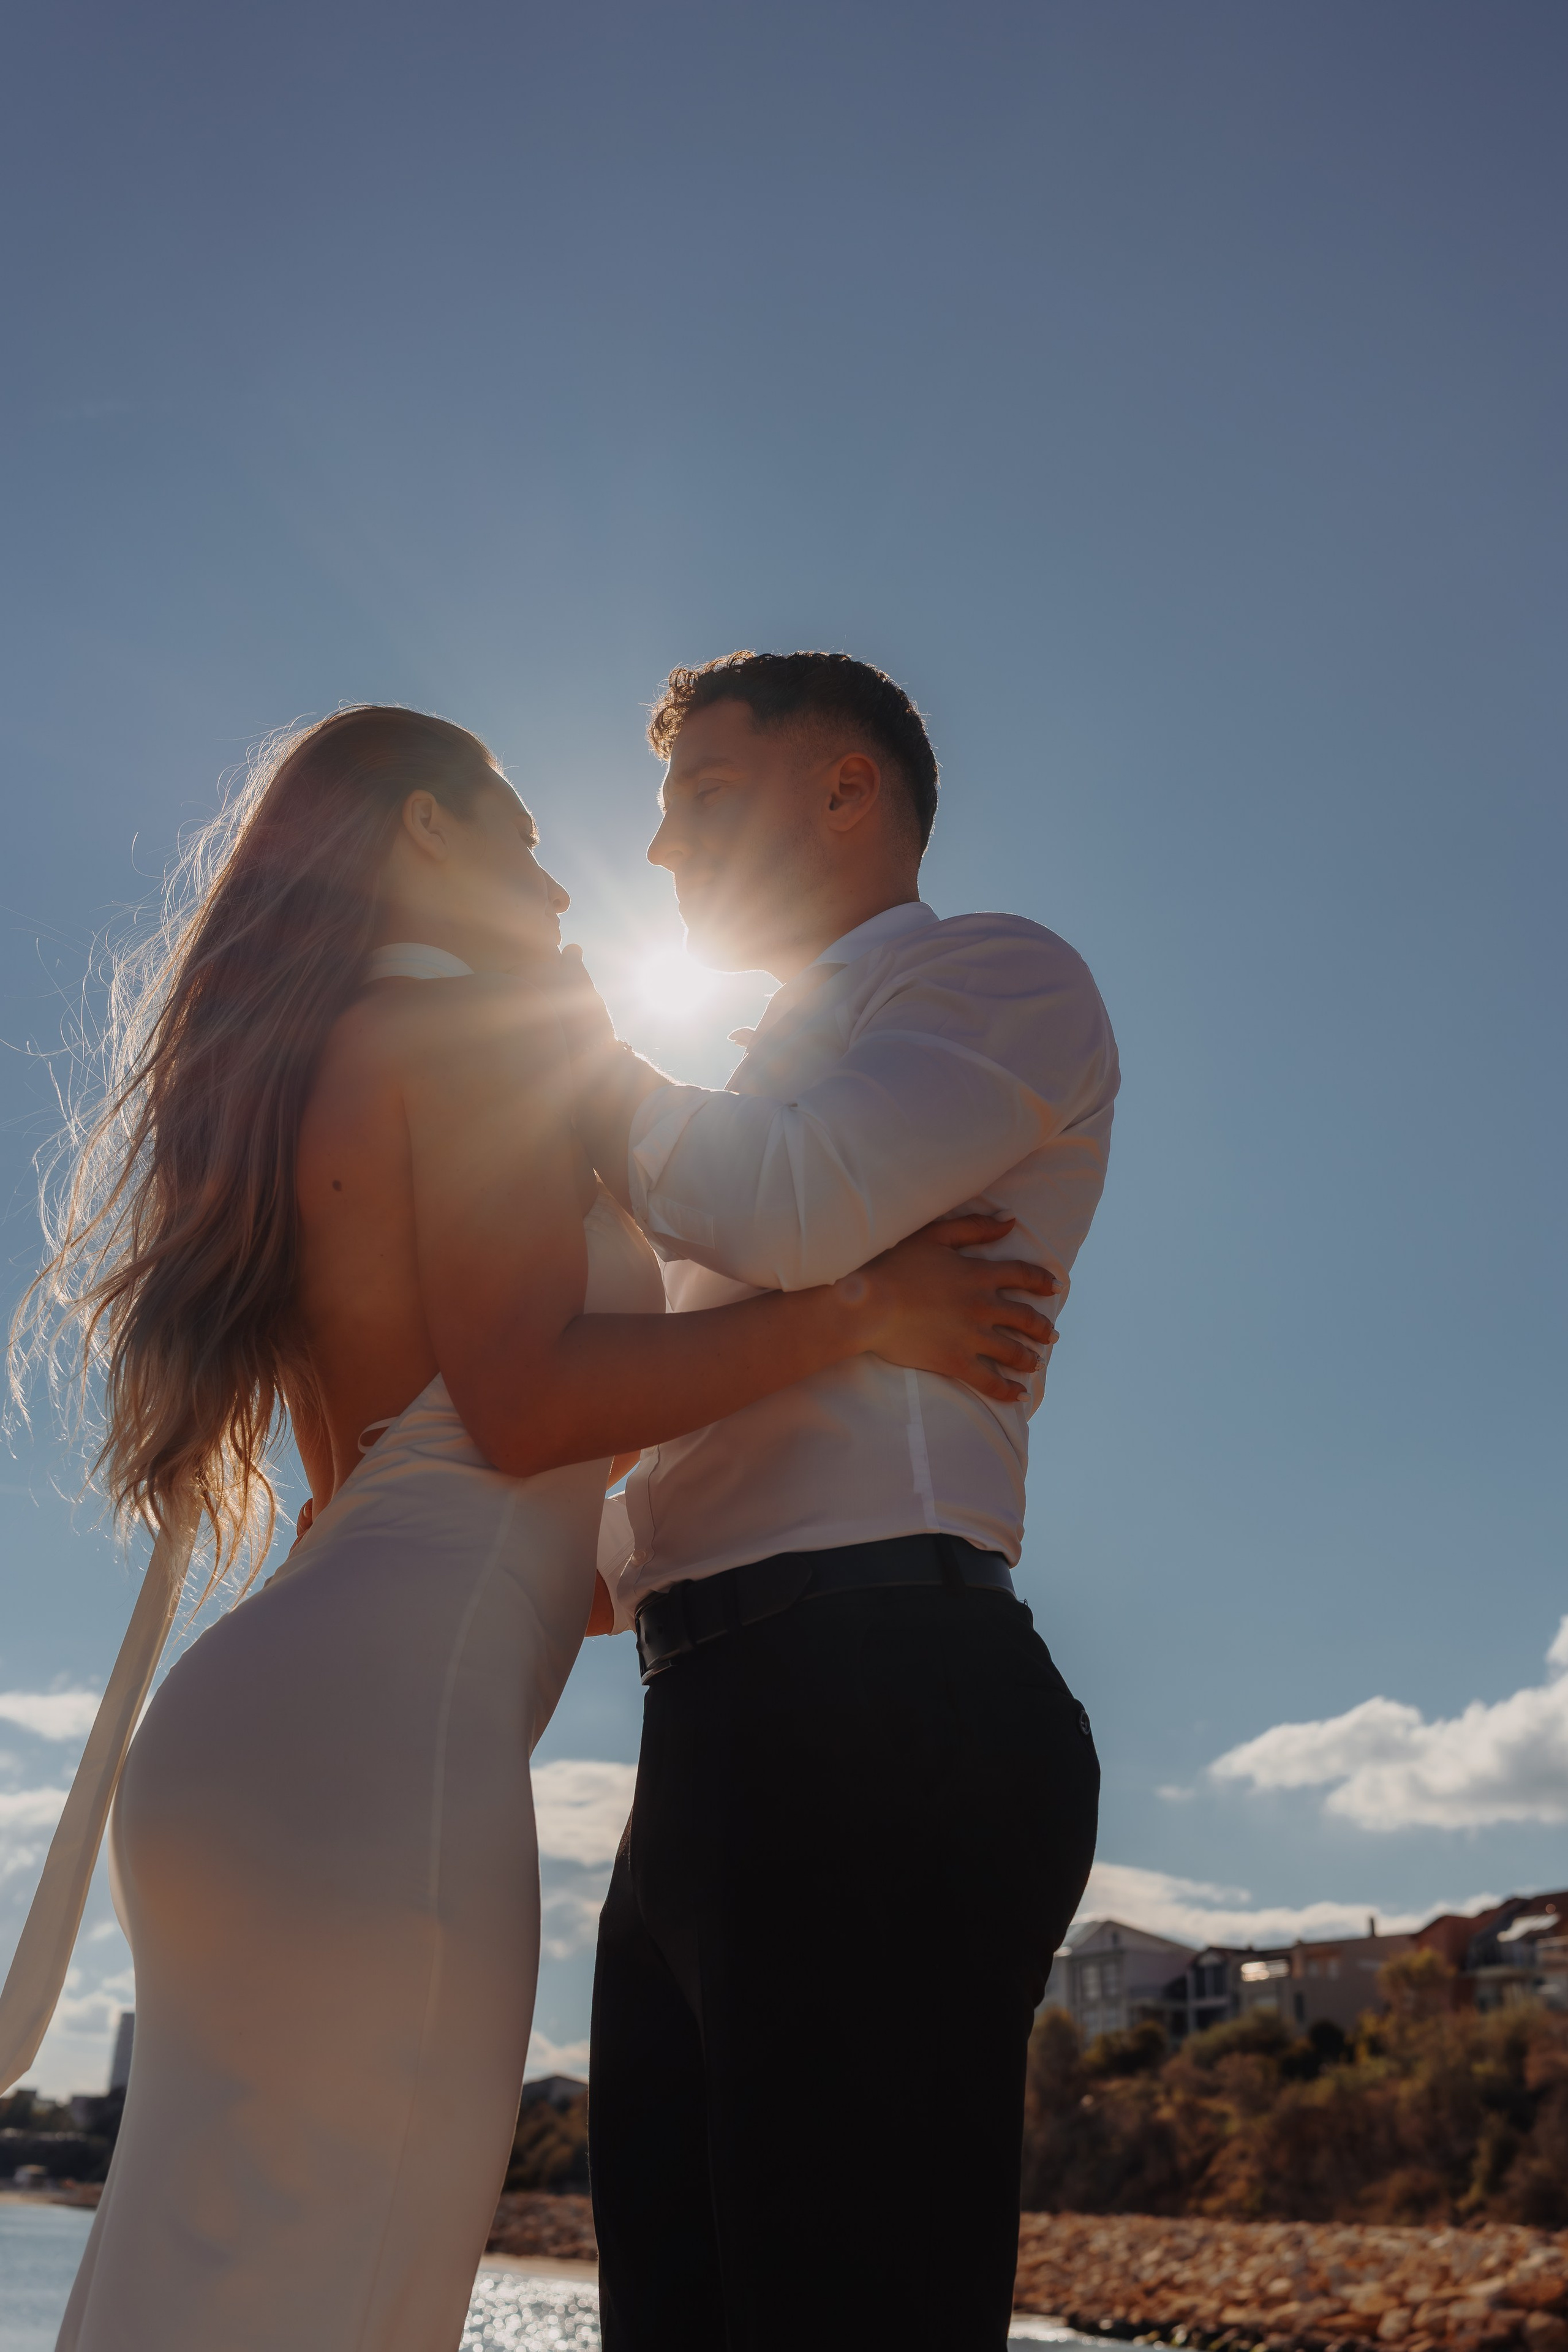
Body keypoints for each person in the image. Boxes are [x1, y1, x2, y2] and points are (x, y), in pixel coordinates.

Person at [0, 704, 1058, 2352]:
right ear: (427, 834)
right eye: (522, 836)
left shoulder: (329, 1056)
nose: (568, 889)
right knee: (350, 2297)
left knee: (207, 2289)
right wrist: (862, 1316)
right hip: (378, 1757)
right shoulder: (466, 1030)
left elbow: (498, 1507)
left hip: (254, 1735)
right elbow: (522, 1406)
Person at [567, 652, 1118, 2352]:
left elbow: (796, 1202)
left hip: (883, 1700)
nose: (661, 847)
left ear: (847, 789)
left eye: (705, 796)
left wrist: (560, 1058)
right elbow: (665, 1462)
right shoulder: (734, 1101)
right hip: (701, 1734)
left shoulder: (995, 977)